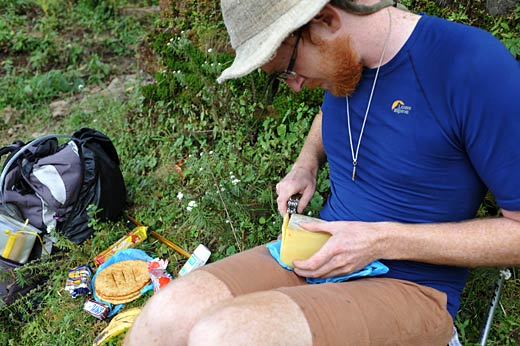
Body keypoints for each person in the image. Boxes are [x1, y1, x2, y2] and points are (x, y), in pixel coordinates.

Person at [125, 0, 520, 345]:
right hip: (319, 254)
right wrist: (306, 163)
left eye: (288, 69)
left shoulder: (471, 66)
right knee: (165, 316)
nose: (295, 87)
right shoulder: (344, 65)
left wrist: (378, 240)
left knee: (228, 335)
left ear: (328, 20)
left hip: (411, 287)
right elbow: (329, 112)